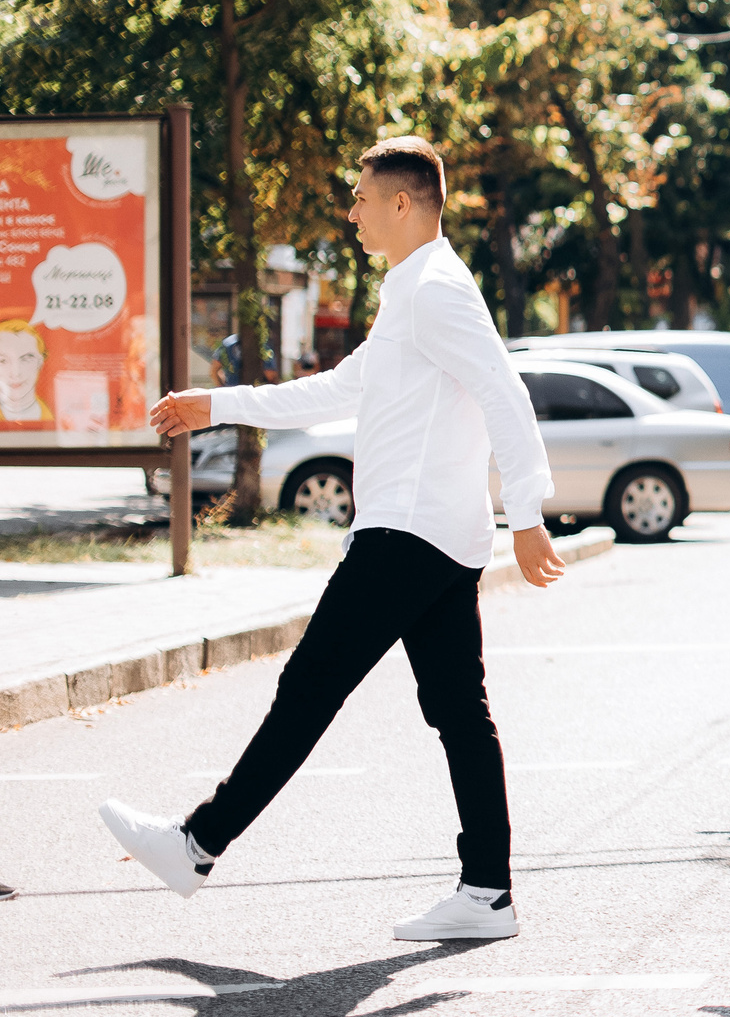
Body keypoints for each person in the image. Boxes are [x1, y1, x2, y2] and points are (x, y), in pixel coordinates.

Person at [99, 138, 563, 942]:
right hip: (434, 537)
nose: (350, 211)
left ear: (403, 203)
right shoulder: (413, 288)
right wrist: (222, 403)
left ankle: (197, 843)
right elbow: (346, 386)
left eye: (359, 197)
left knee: (310, 688)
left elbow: (502, 387)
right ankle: (488, 889)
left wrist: (528, 511)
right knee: (459, 710)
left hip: (406, 535)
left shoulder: (434, 289)